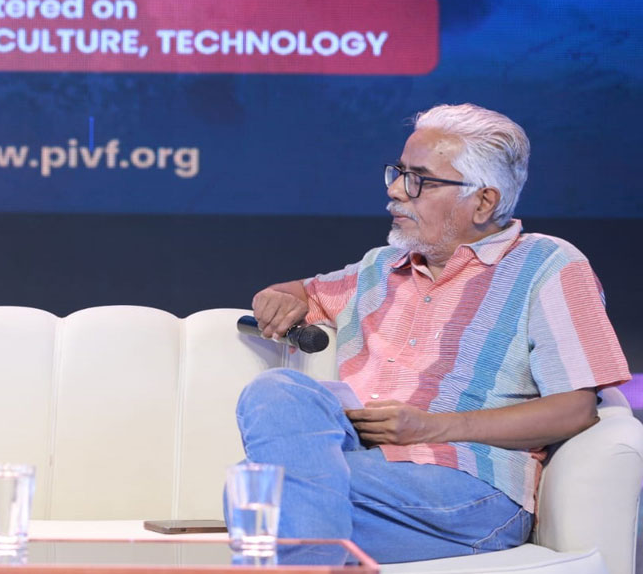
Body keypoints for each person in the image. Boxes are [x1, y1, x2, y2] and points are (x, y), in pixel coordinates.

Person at [237, 104, 630, 563]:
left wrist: (431, 426)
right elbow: (302, 292)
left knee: (263, 492)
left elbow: (576, 409)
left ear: (483, 201)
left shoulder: (549, 265)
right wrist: (278, 297)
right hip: (363, 473)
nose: (394, 190)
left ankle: (295, 535)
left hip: (468, 488)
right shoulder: (379, 267)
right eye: (398, 172)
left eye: (418, 179)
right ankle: (310, 549)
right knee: (275, 391)